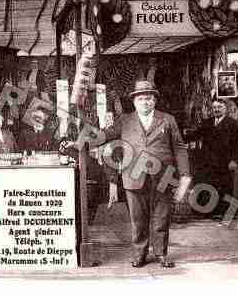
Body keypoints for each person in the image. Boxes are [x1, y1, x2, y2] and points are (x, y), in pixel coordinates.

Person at [62, 80, 191, 268]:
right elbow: (104, 136)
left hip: (163, 175)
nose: (145, 102)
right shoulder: (125, 120)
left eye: (148, 98)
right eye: (141, 99)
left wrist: (185, 174)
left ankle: (161, 253)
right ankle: (140, 254)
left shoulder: (167, 120)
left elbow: (179, 147)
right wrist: (79, 143)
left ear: (154, 100)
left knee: (161, 216)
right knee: (138, 218)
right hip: (133, 176)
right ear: (134, 102)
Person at [190, 98, 238, 221]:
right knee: (210, 186)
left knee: (226, 187)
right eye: (214, 108)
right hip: (209, 161)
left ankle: (226, 213)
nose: (216, 110)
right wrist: (178, 137)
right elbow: (196, 134)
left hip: (225, 162)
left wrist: (234, 160)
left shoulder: (233, 124)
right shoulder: (207, 123)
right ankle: (211, 212)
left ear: (225, 109)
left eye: (219, 107)